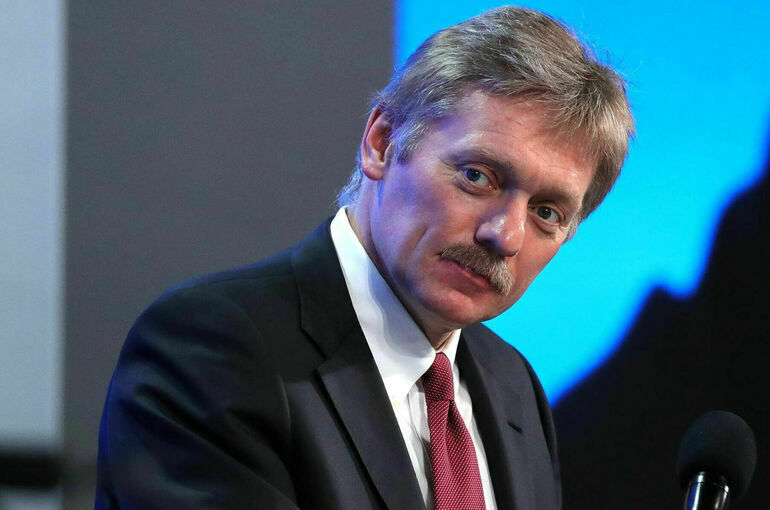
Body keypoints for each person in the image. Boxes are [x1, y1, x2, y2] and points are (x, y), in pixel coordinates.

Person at [96, 6, 633, 510]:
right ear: (382, 142)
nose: (506, 236)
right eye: (478, 176)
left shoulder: (514, 388)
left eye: (546, 212)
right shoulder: (214, 350)